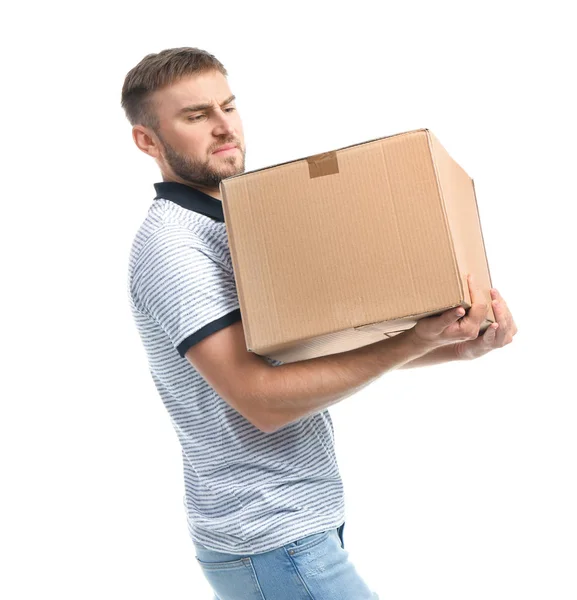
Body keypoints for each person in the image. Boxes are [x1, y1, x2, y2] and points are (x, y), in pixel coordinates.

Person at [121, 47, 517, 600]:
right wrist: (411, 339)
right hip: (269, 533)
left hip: (298, 525)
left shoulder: (238, 223)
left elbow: (304, 356)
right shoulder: (174, 246)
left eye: (228, 107)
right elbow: (259, 397)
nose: (222, 128)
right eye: (195, 116)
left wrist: (453, 346)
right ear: (147, 140)